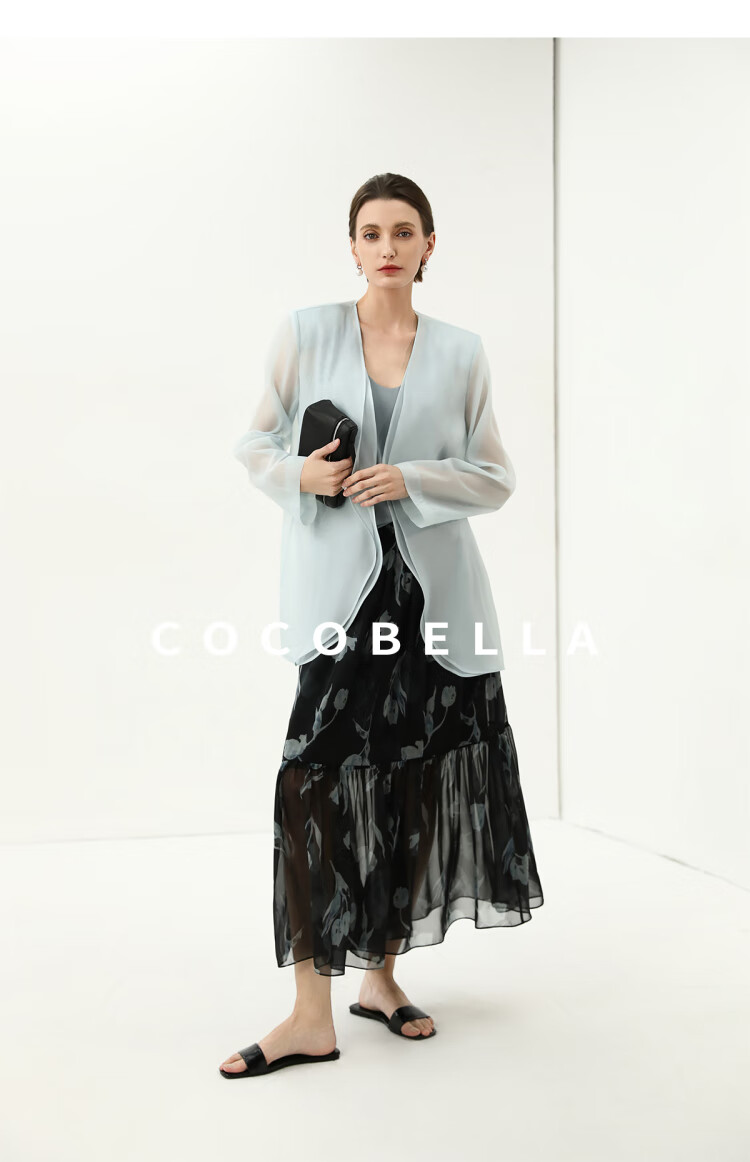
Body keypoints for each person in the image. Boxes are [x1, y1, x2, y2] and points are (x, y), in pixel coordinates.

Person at [221, 172, 544, 1079]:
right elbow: (254, 444)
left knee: (413, 783)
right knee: (313, 783)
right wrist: (304, 476)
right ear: (353, 245)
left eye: (404, 231)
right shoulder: (306, 332)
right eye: (372, 232)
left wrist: (413, 479)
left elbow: (494, 476)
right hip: (341, 601)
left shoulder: (462, 352)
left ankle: (381, 979)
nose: (388, 246)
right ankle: (308, 1015)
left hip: (435, 604)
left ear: (429, 245)